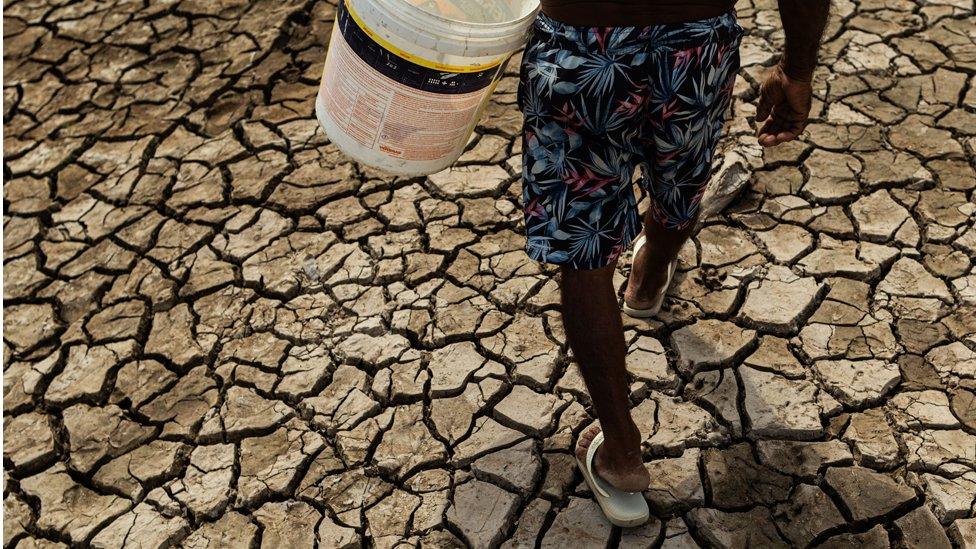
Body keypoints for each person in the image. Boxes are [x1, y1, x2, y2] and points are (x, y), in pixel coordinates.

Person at [515, 0, 830, 526]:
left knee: (585, 252)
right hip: (695, 43)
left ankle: (622, 453)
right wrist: (796, 68)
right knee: (680, 184)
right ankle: (651, 273)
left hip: (580, 43)